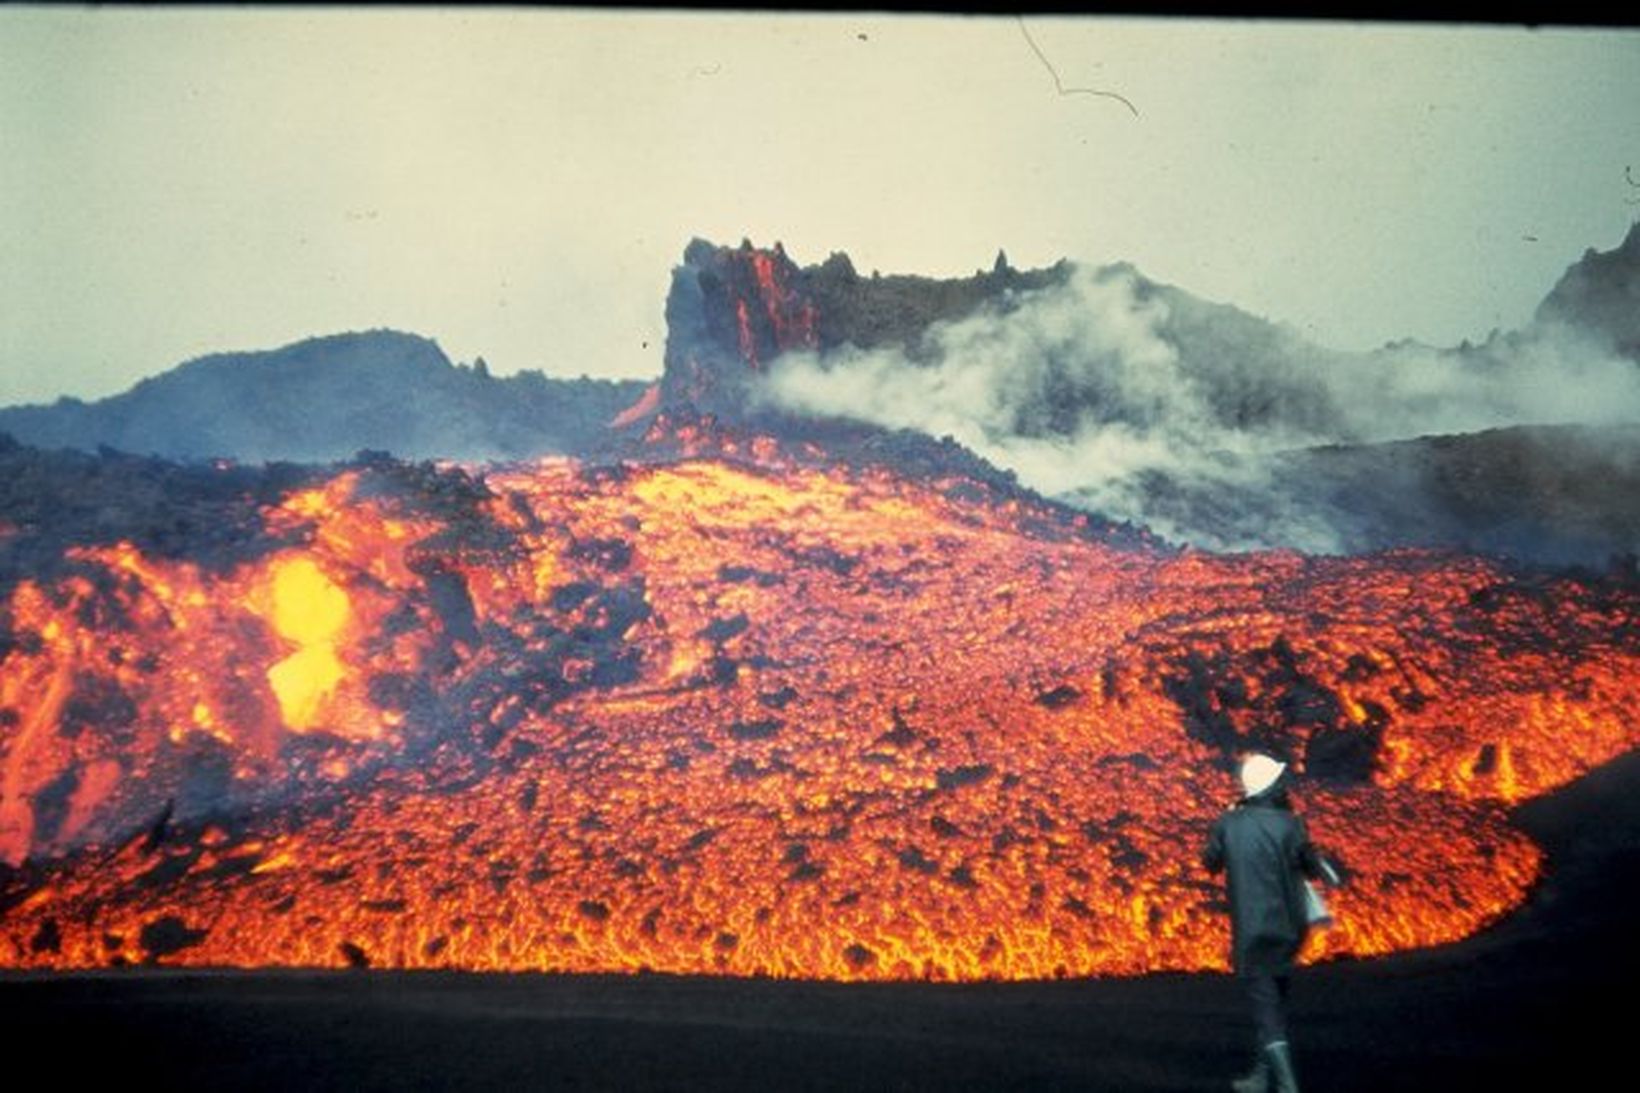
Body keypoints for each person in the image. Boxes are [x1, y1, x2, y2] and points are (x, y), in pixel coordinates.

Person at [1203, 753, 1341, 1093]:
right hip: (1291, 928)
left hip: (1253, 930)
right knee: (1274, 999)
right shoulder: (1290, 824)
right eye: (1280, 780)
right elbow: (1310, 868)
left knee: (1266, 1006)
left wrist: (1226, 826)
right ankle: (1261, 1077)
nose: (1284, 784)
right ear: (1271, 786)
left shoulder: (1228, 823)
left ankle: (1287, 1085)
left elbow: (1210, 863)